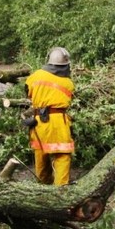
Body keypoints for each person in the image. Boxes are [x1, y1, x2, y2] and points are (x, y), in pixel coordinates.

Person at [25, 47, 76, 185]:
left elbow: (28, 93)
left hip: (39, 124)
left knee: (41, 156)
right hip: (58, 124)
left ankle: (43, 189)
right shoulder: (68, 83)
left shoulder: (34, 76)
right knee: (62, 157)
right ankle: (61, 190)